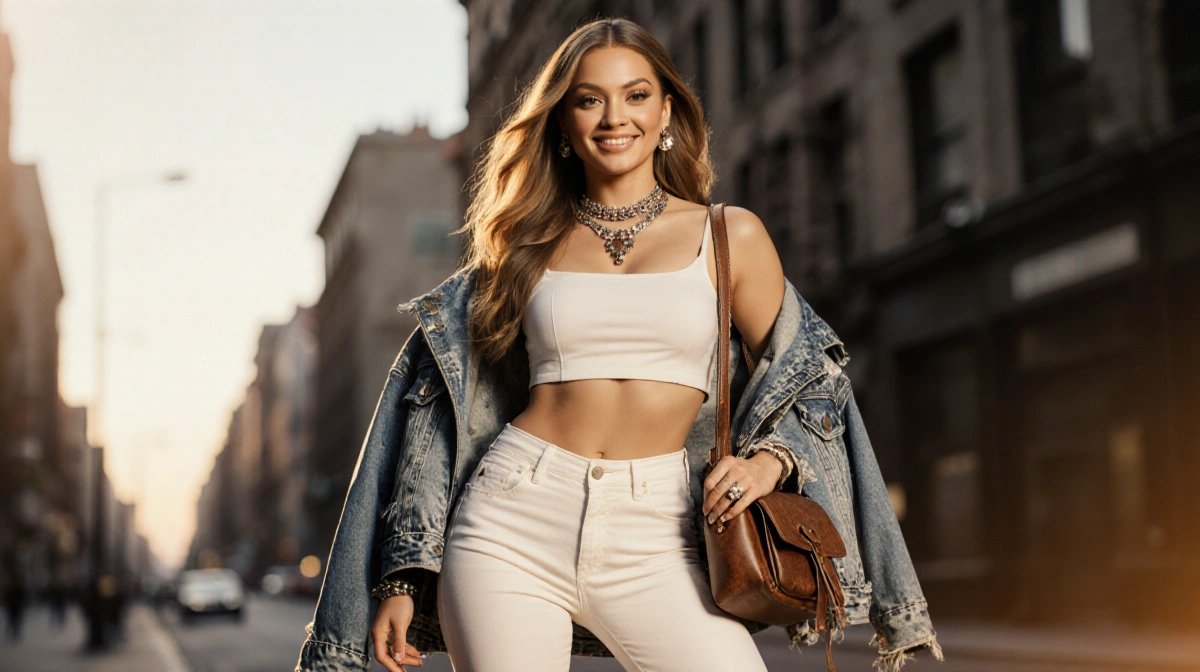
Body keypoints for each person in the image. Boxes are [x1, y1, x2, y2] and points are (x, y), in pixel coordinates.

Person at [296, 17, 942, 672]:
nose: (614, 117)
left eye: (636, 95)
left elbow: (811, 380)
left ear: (667, 111)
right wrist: (405, 575)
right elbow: (437, 408)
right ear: (564, 125)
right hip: (512, 519)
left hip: (661, 532)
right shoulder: (524, 245)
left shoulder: (729, 237)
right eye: (588, 99)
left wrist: (768, 464)